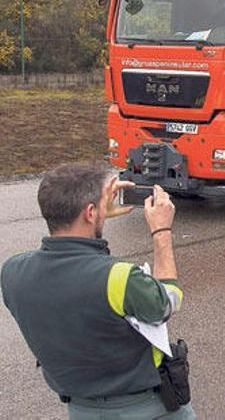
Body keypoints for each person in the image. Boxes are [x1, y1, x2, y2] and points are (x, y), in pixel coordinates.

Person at [1, 162, 195, 419]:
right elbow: (166, 302)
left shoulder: (13, 271)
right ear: (90, 212)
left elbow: (75, 280)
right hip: (148, 409)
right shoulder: (118, 277)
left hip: (81, 409)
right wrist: (162, 231)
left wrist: (97, 216)